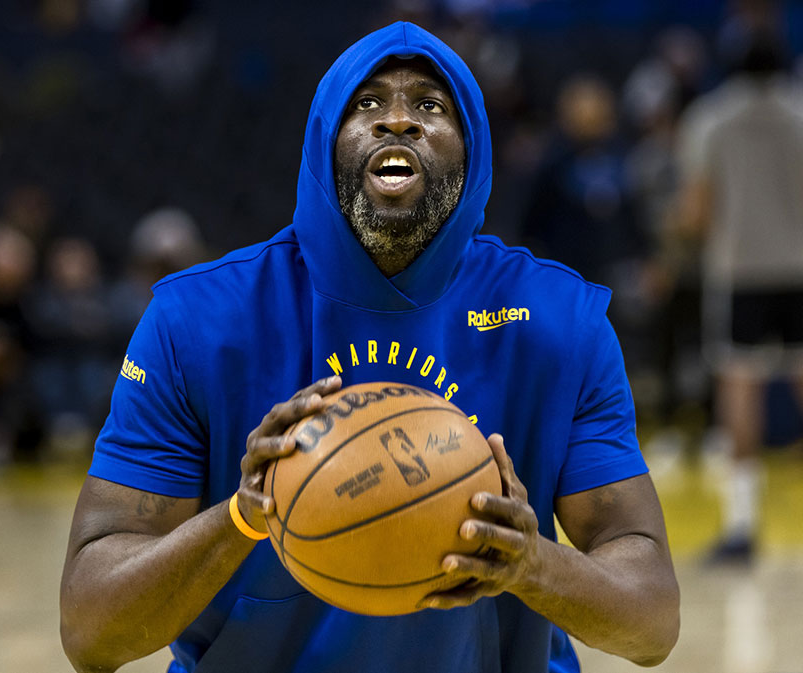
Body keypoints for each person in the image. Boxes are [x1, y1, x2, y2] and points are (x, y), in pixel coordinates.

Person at [60, 22, 679, 673]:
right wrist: (240, 517)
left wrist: (531, 563)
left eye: (430, 106)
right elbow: (89, 631)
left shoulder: (559, 323)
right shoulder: (197, 322)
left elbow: (651, 623)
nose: (398, 122)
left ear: (474, 153)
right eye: (367, 104)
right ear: (324, 140)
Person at [677, 28, 803, 563]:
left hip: (740, 272)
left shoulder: (709, 119)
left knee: (741, 391)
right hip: (802, 268)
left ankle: (741, 530)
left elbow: (694, 213)